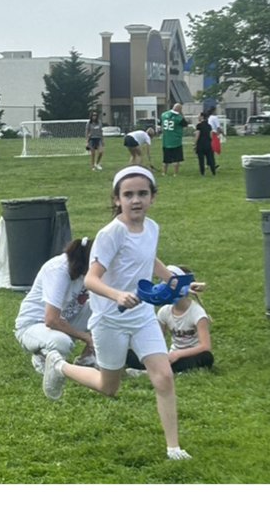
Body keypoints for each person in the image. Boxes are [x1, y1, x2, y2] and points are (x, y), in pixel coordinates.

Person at [40, 166, 201, 461]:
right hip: (109, 320)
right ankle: (59, 366)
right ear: (117, 200)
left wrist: (178, 283)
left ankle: (174, 448)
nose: (136, 200)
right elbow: (91, 279)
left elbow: (148, 257)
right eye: (128, 195)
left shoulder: (152, 228)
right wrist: (117, 295)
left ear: (153, 197)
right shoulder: (111, 234)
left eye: (142, 193)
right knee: (108, 387)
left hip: (142, 318)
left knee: (164, 376)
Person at [14, 236, 94, 372]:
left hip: (67, 317)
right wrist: (86, 337)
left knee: (110, 311)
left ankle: (88, 360)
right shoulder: (59, 270)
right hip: (34, 324)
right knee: (61, 342)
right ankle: (42, 358)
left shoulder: (87, 269)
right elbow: (51, 319)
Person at [155, 266, 214, 373]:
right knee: (131, 355)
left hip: (192, 355)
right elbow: (158, 340)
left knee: (206, 357)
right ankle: (163, 368)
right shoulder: (164, 311)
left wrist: (178, 354)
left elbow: (205, 346)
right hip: (171, 356)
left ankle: (155, 370)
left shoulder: (197, 313)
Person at [160, 102, 187, 176]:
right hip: (176, 140)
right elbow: (185, 124)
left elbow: (160, 124)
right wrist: (181, 114)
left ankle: (164, 173)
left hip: (166, 140)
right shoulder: (179, 118)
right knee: (176, 159)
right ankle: (175, 173)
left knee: (165, 159)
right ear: (179, 110)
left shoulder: (164, 114)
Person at [193, 110, 217, 177]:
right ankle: (213, 172)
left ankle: (202, 173)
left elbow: (197, 134)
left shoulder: (199, 125)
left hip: (201, 144)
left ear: (202, 117)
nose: (198, 117)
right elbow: (211, 135)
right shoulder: (209, 125)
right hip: (208, 144)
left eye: (199, 116)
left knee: (201, 160)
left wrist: (195, 143)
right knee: (210, 158)